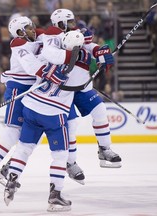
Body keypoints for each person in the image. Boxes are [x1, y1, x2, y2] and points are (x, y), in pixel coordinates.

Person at [0, 16, 84, 190]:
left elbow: (52, 39)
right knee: (12, 132)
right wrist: (47, 73)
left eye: (32, 26)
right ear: (20, 32)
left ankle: (9, 169)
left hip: (34, 90)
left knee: (31, 133)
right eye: (28, 27)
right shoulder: (18, 44)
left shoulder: (39, 37)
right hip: (18, 88)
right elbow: (31, 66)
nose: (33, 29)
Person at [3, 30, 88, 212]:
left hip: (31, 107)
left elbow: (35, 66)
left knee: (24, 148)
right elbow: (84, 87)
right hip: (54, 114)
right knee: (60, 154)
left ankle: (11, 180)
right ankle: (55, 195)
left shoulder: (48, 54)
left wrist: (49, 71)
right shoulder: (82, 68)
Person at [41, 8, 121, 168]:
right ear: (60, 23)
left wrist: (99, 52)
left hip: (82, 87)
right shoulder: (51, 36)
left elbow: (89, 46)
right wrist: (76, 54)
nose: (73, 24)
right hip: (62, 90)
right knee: (71, 126)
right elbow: (50, 54)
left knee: (100, 111)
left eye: (73, 21)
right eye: (69, 22)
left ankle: (104, 148)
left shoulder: (77, 32)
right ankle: (70, 163)